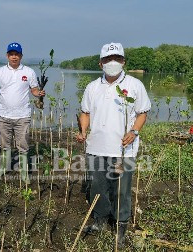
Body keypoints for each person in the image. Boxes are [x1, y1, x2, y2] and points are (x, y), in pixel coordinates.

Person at [76, 42, 151, 247]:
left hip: (123, 149)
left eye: (117, 59)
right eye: (108, 59)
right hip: (96, 147)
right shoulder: (92, 87)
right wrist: (83, 131)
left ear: (123, 61)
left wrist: (134, 131)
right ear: (101, 63)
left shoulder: (135, 85)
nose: (112, 63)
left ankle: (121, 227)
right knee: (97, 187)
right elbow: (85, 112)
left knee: (121, 190)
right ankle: (100, 221)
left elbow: (142, 112)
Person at [0, 42, 45, 183]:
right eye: (11, 54)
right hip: (4, 116)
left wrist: (39, 93)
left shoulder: (29, 72)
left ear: (21, 56)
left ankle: (24, 172)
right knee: (4, 144)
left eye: (17, 54)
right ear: (7, 56)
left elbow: (34, 90)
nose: (14, 57)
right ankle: (3, 168)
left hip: (23, 116)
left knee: (23, 145)